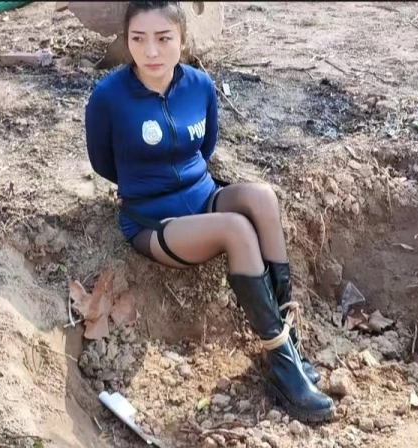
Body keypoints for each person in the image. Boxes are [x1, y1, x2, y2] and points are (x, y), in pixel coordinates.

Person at [84, 1, 334, 422]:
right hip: (153, 220)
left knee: (261, 198)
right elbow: (102, 163)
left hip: (202, 196)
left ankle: (289, 343)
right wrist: (147, 187)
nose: (151, 51)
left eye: (164, 38)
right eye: (138, 39)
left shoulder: (199, 85)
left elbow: (206, 147)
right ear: (127, 41)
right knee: (236, 228)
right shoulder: (108, 97)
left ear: (182, 39)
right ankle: (282, 366)